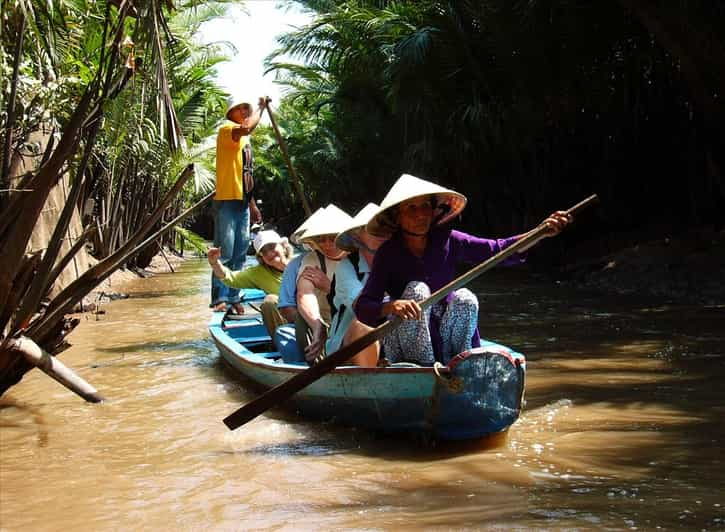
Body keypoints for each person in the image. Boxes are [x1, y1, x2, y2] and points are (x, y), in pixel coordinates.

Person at [353, 173, 572, 366]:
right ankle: (424, 366)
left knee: (466, 297)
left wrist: (541, 232)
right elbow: (364, 306)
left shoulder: (450, 240)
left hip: (445, 337)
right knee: (417, 290)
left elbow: (499, 250)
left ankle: (461, 362)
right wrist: (392, 306)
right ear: (397, 217)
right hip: (405, 343)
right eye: (411, 208)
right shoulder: (388, 253)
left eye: (425, 206)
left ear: (433, 211)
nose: (420, 214)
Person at [304, 203, 388, 367]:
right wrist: (393, 305)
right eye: (373, 229)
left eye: (385, 228)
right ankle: (370, 385)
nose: (382, 234)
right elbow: (363, 308)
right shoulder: (347, 266)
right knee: (362, 325)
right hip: (345, 345)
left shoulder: (398, 260)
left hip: (390, 341)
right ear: (358, 237)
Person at [210, 96, 267, 314]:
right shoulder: (228, 130)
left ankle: (234, 296)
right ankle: (219, 298)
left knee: (241, 252)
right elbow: (246, 128)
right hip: (226, 200)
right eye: (240, 108)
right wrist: (260, 108)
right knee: (224, 251)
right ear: (231, 111)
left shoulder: (245, 142)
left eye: (247, 107)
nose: (244, 111)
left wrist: (252, 205)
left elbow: (245, 176)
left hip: (242, 201)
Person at [294, 205, 353, 365]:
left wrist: (329, 287)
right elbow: (304, 294)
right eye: (321, 239)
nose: (327, 244)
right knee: (301, 319)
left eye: (332, 237)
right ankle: (318, 365)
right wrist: (317, 324)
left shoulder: (359, 256)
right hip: (325, 322)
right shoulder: (312, 260)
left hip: (353, 320)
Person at [208, 229, 294, 337]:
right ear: (261, 257)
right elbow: (229, 277)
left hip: (309, 317)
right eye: (264, 252)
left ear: (283, 246)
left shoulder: (301, 263)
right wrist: (214, 263)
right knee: (270, 301)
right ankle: (287, 344)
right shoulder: (259, 273)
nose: (270, 254)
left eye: (272, 247)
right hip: (287, 324)